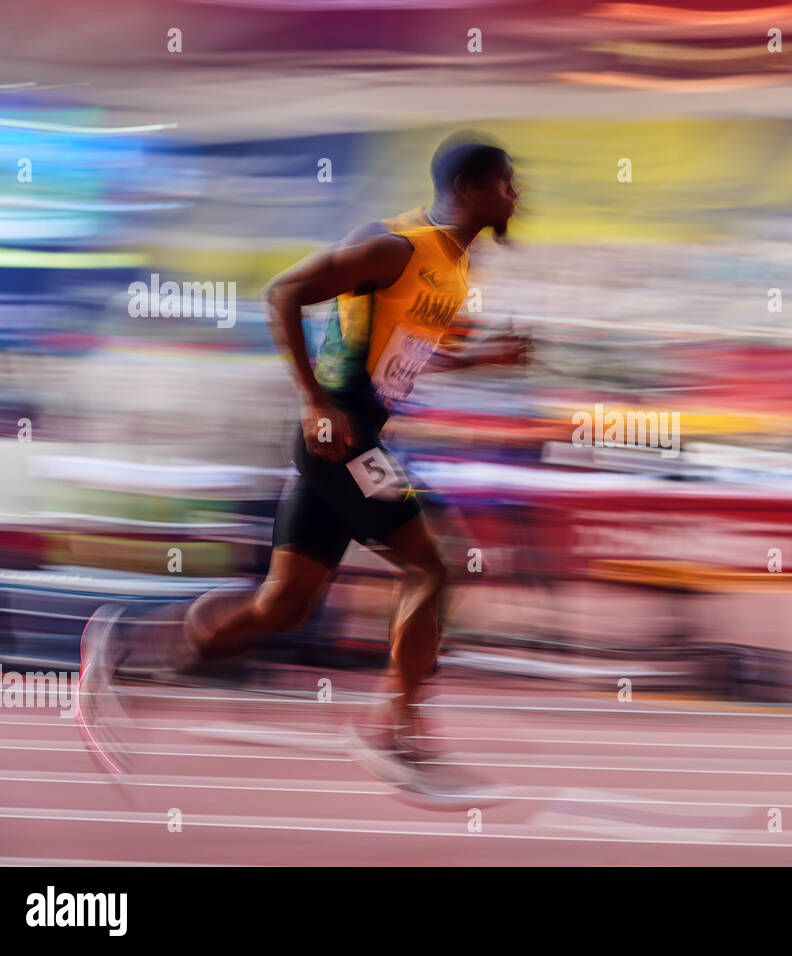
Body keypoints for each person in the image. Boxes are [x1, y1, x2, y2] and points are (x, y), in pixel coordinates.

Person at [147, 133, 524, 786]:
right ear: (469, 188)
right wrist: (314, 402)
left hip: (352, 444)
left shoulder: (459, 271)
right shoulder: (396, 247)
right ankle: (396, 735)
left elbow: (410, 349)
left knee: (282, 608)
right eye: (506, 183)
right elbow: (283, 293)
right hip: (344, 441)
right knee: (432, 568)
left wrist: (480, 358)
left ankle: (136, 654)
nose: (517, 197)